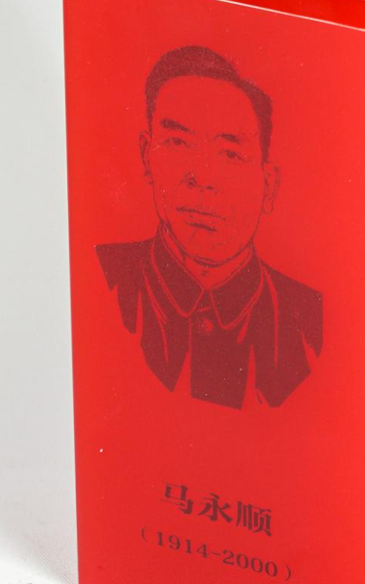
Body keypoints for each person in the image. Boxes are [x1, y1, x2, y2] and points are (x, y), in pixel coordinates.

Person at [95, 45, 323, 410]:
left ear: (269, 185)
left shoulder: (310, 323)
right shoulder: (100, 282)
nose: (201, 178)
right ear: (146, 155)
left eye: (229, 154)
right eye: (177, 143)